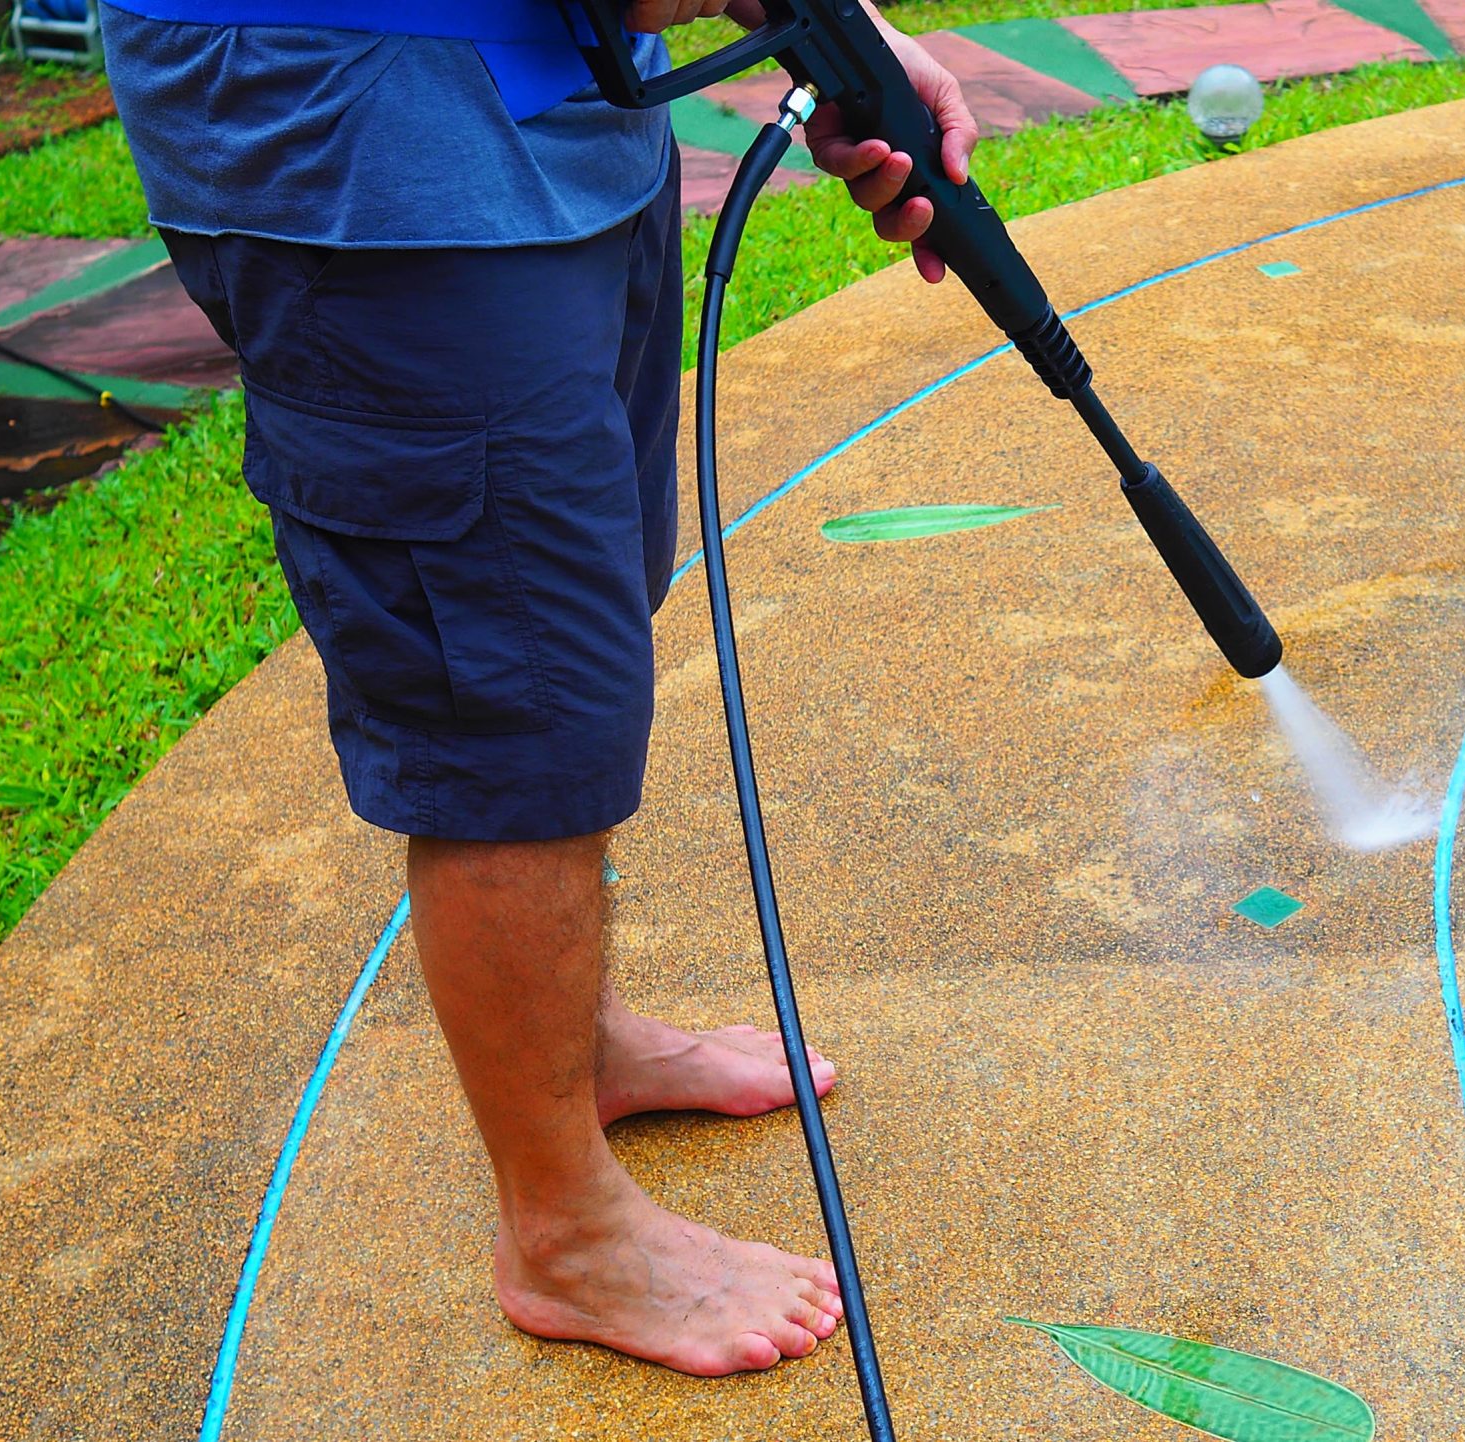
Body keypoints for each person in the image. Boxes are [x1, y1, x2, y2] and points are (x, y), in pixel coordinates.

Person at [98, 0, 978, 1376]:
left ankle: (579, 1051)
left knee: (576, 610)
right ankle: (563, 1230)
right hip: (373, 137)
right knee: (509, 698)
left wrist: (836, 32)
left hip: (543, 100)